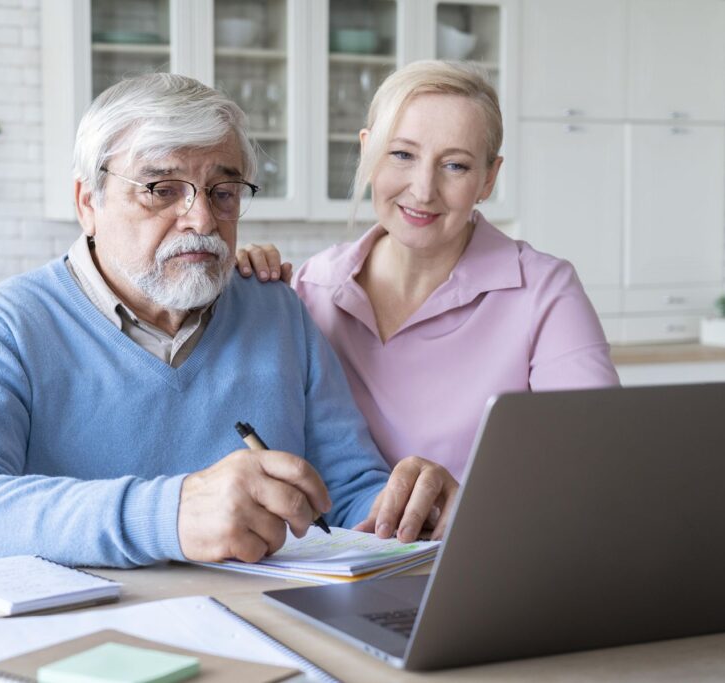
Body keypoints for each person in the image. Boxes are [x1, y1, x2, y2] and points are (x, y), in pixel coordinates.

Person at [0, 73, 458, 570]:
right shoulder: (5, 326)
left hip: (269, 630)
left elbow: (348, 490)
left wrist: (407, 514)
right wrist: (170, 514)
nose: (202, 218)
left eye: (224, 191)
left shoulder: (277, 310)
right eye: (162, 190)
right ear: (88, 201)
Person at [237, 60, 619, 492]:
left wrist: (473, 501)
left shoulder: (544, 293)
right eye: (402, 154)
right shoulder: (313, 285)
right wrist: (236, 290)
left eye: (454, 165)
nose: (423, 189)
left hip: (482, 551)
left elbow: (594, 465)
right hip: (341, 555)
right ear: (367, 151)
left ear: (489, 178)